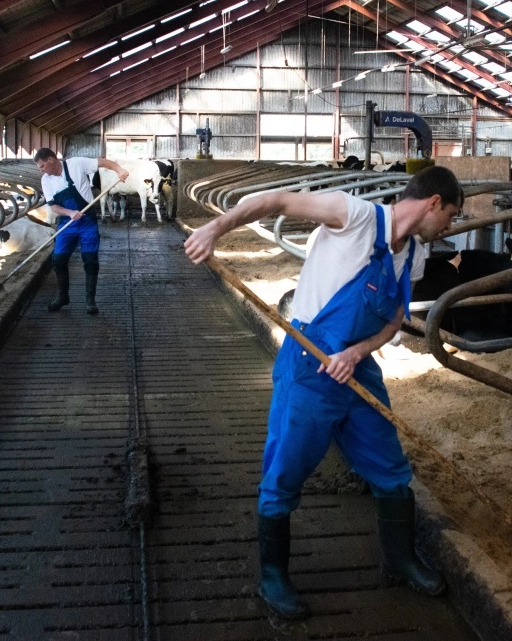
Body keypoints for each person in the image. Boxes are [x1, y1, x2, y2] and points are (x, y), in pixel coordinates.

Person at [183, 165, 462, 619]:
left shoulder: (412, 253)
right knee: (287, 467)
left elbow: (394, 319)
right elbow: (276, 200)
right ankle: (272, 575)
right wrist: (214, 227)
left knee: (390, 466)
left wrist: (359, 353)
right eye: (450, 215)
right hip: (310, 365)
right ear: (433, 202)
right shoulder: (351, 214)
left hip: (357, 367)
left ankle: (400, 559)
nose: (449, 226)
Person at [33, 148, 129, 314]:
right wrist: (69, 213)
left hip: (87, 222)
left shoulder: (76, 164)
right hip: (66, 223)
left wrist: (119, 170)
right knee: (58, 260)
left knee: (90, 260)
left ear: (51, 160)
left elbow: (103, 162)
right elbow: (54, 206)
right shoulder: (46, 180)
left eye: (41, 166)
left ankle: (90, 301)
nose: (40, 170)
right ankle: (62, 296)